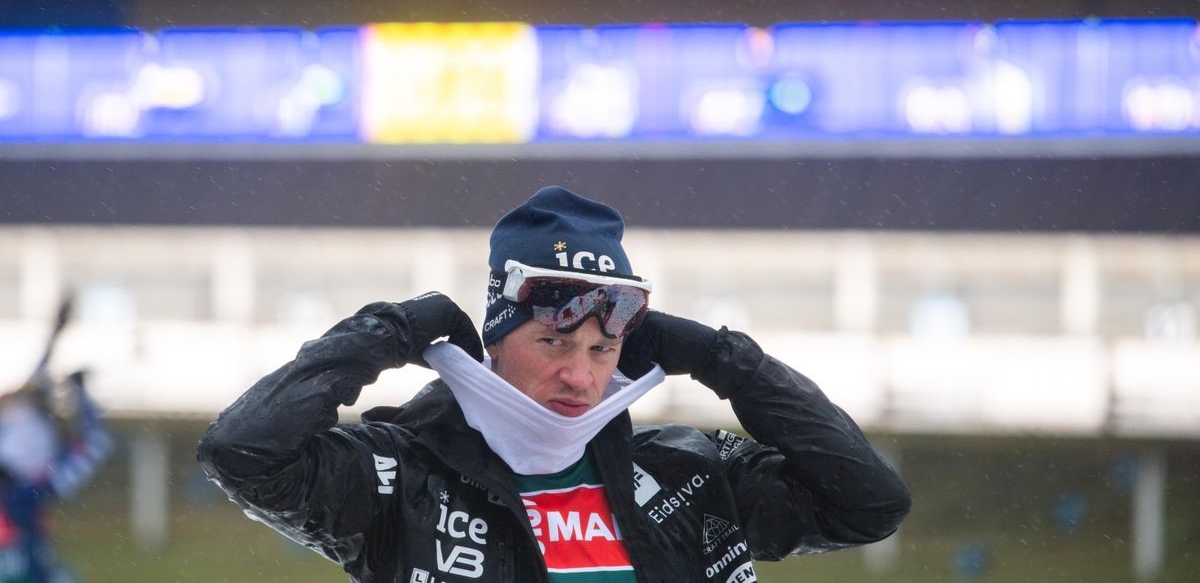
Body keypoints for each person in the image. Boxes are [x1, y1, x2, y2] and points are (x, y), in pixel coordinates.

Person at [197, 186, 910, 582]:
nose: (580, 374)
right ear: (496, 341)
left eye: (604, 348)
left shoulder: (689, 471)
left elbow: (871, 503)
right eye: (553, 341)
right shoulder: (404, 476)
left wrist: (728, 360)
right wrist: (386, 332)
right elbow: (242, 451)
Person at [0, 370, 112, 583]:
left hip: (29, 526)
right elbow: (95, 441)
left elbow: (94, 442)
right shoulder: (47, 481)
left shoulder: (45, 482)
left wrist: (80, 394)